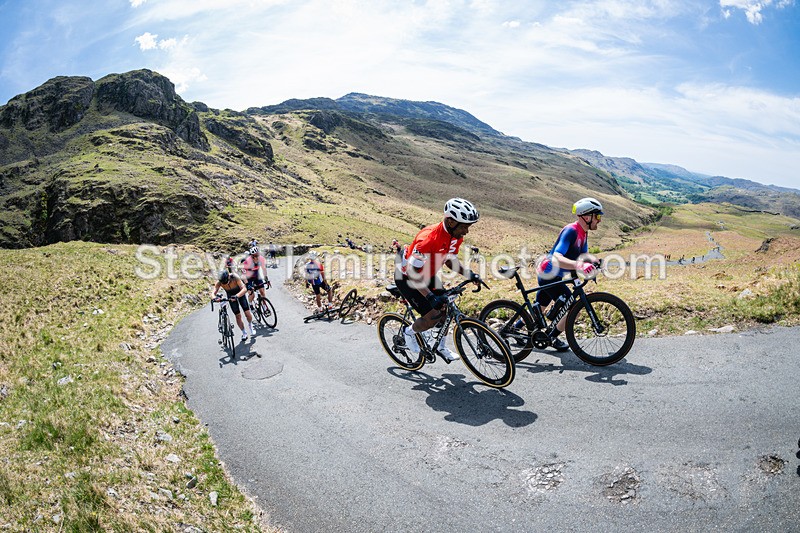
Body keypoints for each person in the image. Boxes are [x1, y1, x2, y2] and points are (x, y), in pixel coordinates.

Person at [395, 198, 481, 363]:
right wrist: (429, 296)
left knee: (446, 309)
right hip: (407, 277)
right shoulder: (428, 239)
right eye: (464, 227)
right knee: (433, 316)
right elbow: (412, 273)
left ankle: (441, 347)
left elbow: (449, 260)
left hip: (427, 274)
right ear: (451, 222)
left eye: (468, 227)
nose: (466, 231)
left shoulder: (455, 235)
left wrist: (469, 274)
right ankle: (409, 332)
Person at [536, 197, 603, 352]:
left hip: (554, 275)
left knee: (539, 309)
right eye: (598, 216)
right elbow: (557, 257)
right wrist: (580, 265)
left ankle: (513, 329)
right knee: (574, 309)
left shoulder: (583, 233)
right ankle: (552, 337)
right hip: (548, 274)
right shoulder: (571, 231)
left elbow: (583, 256)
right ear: (587, 217)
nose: (599, 221)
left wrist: (595, 261)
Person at [210, 270, 255, 341]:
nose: (225, 283)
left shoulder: (235, 277)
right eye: (223, 282)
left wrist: (237, 296)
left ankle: (250, 325)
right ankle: (244, 333)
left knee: (247, 314)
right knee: (238, 316)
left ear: (228, 276)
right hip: (230, 296)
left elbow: (244, 289)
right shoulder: (220, 281)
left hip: (240, 294)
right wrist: (214, 298)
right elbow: (213, 292)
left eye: (226, 281)